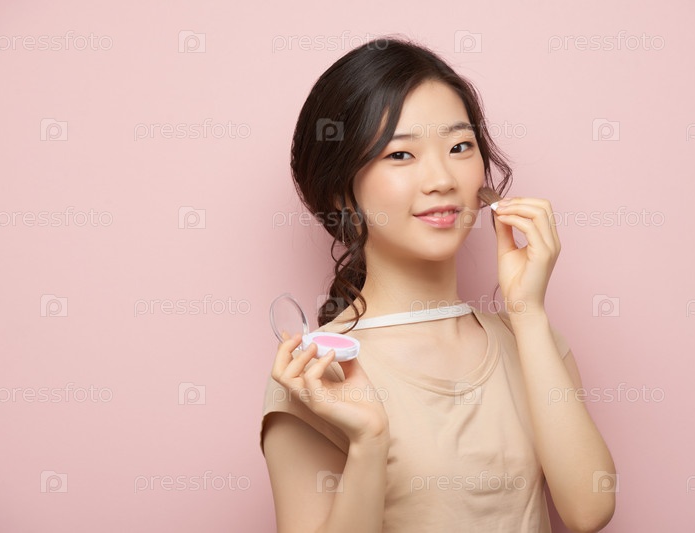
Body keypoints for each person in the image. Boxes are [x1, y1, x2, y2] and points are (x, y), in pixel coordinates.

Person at [260, 36, 616, 533]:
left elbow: (589, 510)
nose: (442, 179)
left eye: (459, 147)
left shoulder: (530, 340)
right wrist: (368, 443)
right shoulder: (317, 374)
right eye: (401, 154)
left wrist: (527, 312)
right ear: (342, 192)